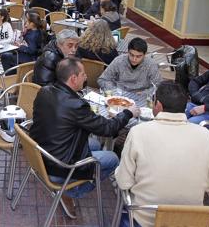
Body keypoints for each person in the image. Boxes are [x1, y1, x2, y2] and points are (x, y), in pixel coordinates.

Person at [31, 57, 139, 217]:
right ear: (73, 78)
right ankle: (71, 191)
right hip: (59, 166)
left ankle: (73, 184)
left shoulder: (44, 91)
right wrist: (128, 113)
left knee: (94, 143)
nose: (86, 76)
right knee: (112, 158)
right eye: (83, 74)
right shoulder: (76, 105)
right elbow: (108, 129)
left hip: (41, 154)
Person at [115, 81, 209, 227]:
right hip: (190, 222)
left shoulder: (139, 132)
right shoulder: (205, 135)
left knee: (124, 201)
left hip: (144, 219)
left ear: (158, 105)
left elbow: (123, 182)